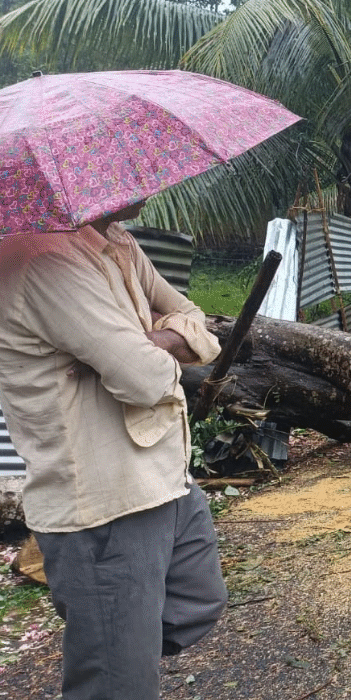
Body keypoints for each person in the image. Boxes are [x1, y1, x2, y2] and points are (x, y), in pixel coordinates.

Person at [0, 201, 227, 700]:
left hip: (162, 476)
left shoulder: (114, 239)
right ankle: (112, 660)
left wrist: (157, 337)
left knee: (197, 600)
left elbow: (196, 321)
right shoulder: (41, 259)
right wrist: (159, 349)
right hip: (104, 505)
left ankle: (115, 651)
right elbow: (144, 380)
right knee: (118, 683)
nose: (151, 180)